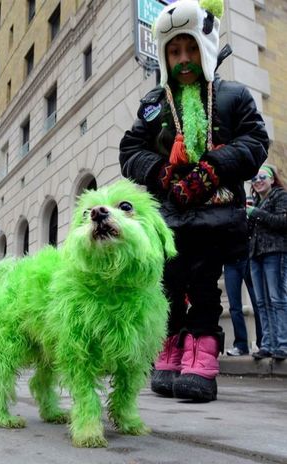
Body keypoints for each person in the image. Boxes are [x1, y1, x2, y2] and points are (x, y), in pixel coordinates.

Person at [119, 0, 269, 401]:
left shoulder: (232, 95)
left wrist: (212, 170)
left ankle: (202, 356)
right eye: (174, 51)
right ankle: (168, 350)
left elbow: (255, 142)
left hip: (215, 216)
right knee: (168, 284)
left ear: (204, 48)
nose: (183, 59)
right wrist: (161, 173)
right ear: (165, 56)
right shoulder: (154, 104)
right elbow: (129, 150)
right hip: (168, 218)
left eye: (189, 49)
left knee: (204, 285)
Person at [247, 165, 287, 360]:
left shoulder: (280, 196)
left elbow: (282, 222)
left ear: (272, 180)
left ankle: (282, 345)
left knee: (277, 299)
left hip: (275, 252)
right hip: (256, 255)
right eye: (254, 178)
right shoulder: (254, 201)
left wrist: (256, 213)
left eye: (263, 176)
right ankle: (267, 344)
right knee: (262, 302)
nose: (258, 180)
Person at [223, 253, 262, 356]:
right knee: (234, 307)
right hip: (229, 262)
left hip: (247, 258)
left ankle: (262, 343)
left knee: (258, 304)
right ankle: (241, 345)